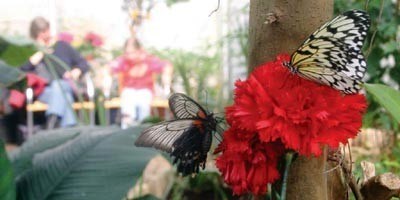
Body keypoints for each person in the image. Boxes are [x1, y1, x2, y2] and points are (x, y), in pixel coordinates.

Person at [21, 16, 90, 129]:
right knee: (65, 97)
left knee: (59, 85)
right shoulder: (31, 50)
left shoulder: (62, 46)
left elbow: (84, 64)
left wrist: (76, 71)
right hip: (44, 91)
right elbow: (21, 70)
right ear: (35, 35)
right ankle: (68, 130)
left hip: (66, 84)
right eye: (40, 33)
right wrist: (36, 56)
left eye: (46, 31)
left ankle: (52, 122)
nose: (45, 35)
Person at [111, 38, 172, 129]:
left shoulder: (149, 60)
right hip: (128, 92)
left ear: (139, 50)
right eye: (127, 53)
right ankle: (126, 130)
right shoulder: (123, 60)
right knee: (128, 100)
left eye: (133, 52)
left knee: (143, 103)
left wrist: (166, 77)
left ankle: (143, 129)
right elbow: (109, 68)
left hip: (145, 92)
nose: (130, 56)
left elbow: (167, 66)